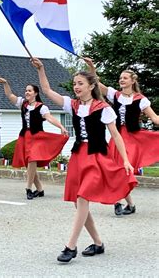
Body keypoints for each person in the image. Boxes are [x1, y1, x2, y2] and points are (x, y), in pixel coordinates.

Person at [31, 58, 137, 263]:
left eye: (80, 83)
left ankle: (70, 247)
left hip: (96, 157)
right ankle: (98, 243)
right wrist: (41, 69)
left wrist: (125, 160)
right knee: (78, 202)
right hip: (78, 156)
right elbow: (46, 91)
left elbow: (116, 136)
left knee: (82, 198)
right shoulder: (73, 105)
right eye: (74, 84)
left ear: (91, 86)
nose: (76, 87)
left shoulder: (103, 108)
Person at [84, 58, 159, 216]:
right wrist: (91, 67)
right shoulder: (115, 95)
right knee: (116, 169)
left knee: (124, 169)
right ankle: (125, 203)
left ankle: (120, 202)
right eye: (120, 78)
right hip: (117, 137)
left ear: (132, 81)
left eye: (124, 78)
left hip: (133, 139)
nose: (121, 80)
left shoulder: (141, 100)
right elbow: (96, 84)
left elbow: (155, 119)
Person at [0, 77, 69, 199]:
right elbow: (9, 95)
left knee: (32, 159)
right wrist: (6, 84)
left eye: (29, 91)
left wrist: (61, 126)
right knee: (30, 164)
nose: (27, 92)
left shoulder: (42, 107)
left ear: (35, 93)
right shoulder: (22, 103)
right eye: (26, 90)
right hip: (25, 137)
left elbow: (50, 118)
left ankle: (28, 188)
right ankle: (40, 189)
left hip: (37, 137)